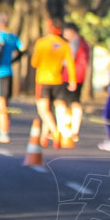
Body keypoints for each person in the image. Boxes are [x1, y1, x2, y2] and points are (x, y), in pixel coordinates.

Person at [30, 20, 74, 148]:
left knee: (43, 109)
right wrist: (72, 79)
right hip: (58, 80)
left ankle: (55, 132)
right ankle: (44, 136)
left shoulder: (41, 43)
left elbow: (34, 62)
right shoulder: (64, 44)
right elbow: (70, 63)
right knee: (51, 109)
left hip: (43, 80)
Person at [0, 13, 26, 143]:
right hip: (8, 71)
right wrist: (14, 60)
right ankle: (4, 129)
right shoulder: (13, 36)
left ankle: (3, 132)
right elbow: (23, 48)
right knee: (5, 103)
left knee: (0, 103)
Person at [61, 22, 91, 146]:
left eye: (66, 32)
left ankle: (68, 130)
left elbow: (68, 60)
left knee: (67, 103)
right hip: (80, 76)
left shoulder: (73, 43)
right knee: (75, 102)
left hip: (71, 76)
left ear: (72, 31)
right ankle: (74, 130)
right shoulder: (83, 42)